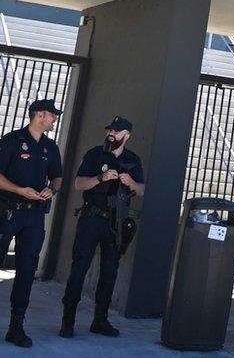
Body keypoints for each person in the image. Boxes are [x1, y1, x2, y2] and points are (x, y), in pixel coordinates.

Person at [0, 99, 64, 349]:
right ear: (40, 115)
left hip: (34, 216)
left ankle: (16, 327)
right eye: (52, 115)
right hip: (8, 212)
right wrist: (20, 190)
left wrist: (51, 189)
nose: (54, 120)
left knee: (27, 271)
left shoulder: (50, 146)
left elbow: (58, 177)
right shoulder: (12, 141)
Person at [60, 116, 144, 338]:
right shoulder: (95, 154)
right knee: (80, 267)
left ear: (126, 135)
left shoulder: (133, 160)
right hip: (91, 218)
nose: (111, 134)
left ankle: (100, 320)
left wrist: (131, 183)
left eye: (116, 131)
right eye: (110, 130)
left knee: (109, 272)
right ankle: (68, 320)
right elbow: (79, 184)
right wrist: (101, 177)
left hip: (115, 222)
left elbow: (142, 189)